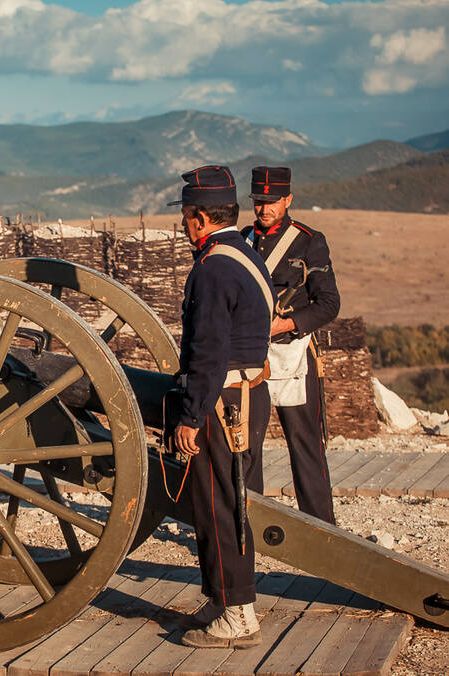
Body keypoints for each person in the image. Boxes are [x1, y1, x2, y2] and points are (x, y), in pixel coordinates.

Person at [167, 166, 274, 649]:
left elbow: (208, 352)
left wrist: (190, 417)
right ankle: (225, 597)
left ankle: (238, 617)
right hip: (246, 393)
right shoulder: (246, 255)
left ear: (200, 217)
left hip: (222, 402)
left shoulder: (213, 268)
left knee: (218, 506)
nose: (184, 224)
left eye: (187, 215)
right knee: (233, 502)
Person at [244, 166, 340, 524]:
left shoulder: (308, 241)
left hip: (293, 354)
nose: (265, 208)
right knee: (248, 446)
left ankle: (323, 529)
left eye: (272, 201)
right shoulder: (243, 239)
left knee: (305, 446)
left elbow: (329, 304)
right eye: (259, 201)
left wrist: (285, 323)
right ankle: (248, 524)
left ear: (288, 200)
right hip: (251, 356)